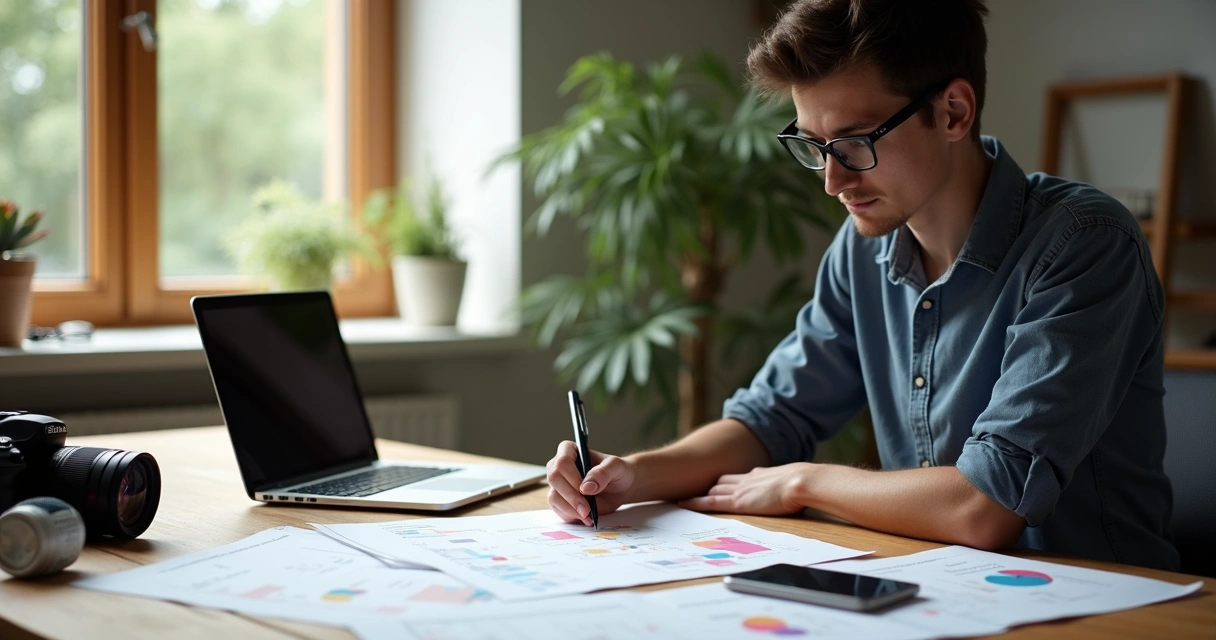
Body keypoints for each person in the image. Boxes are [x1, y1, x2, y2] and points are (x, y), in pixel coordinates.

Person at [544, 0, 1178, 571]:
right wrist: (630, 474)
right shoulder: (863, 247)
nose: (832, 180)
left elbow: (984, 505)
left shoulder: (1086, 244)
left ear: (952, 111)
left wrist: (801, 484)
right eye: (814, 145)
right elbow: (771, 419)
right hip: (937, 590)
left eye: (852, 143)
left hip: (1102, 599)